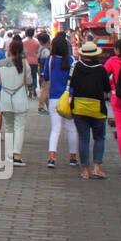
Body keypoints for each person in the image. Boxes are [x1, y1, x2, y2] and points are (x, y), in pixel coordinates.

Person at [69, 41, 112, 179]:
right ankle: (97, 168)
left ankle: (86, 171)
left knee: (83, 139)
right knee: (99, 138)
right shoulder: (101, 69)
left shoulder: (77, 67)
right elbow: (107, 88)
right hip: (97, 109)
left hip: (79, 108)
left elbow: (72, 85)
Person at [45, 32, 79, 168]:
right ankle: (73, 157)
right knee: (71, 128)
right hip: (68, 98)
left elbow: (46, 77)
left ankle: (52, 157)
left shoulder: (50, 60)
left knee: (55, 129)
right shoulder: (72, 61)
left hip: (53, 98)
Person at [0, 37, 30, 165]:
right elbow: (30, 81)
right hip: (20, 98)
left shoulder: (1, 63)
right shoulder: (24, 64)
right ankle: (17, 156)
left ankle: (9, 155)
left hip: (5, 99)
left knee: (8, 127)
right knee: (19, 127)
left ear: (9, 49)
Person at [35, 31, 52, 113]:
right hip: (45, 72)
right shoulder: (46, 51)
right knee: (45, 90)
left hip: (40, 71)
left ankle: (49, 107)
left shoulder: (40, 49)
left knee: (45, 90)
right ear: (48, 41)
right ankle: (40, 106)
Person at [22, 27, 41, 99]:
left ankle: (28, 90)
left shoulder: (23, 42)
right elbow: (38, 53)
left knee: (27, 76)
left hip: (26, 61)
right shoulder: (37, 42)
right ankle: (34, 89)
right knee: (34, 76)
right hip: (35, 61)